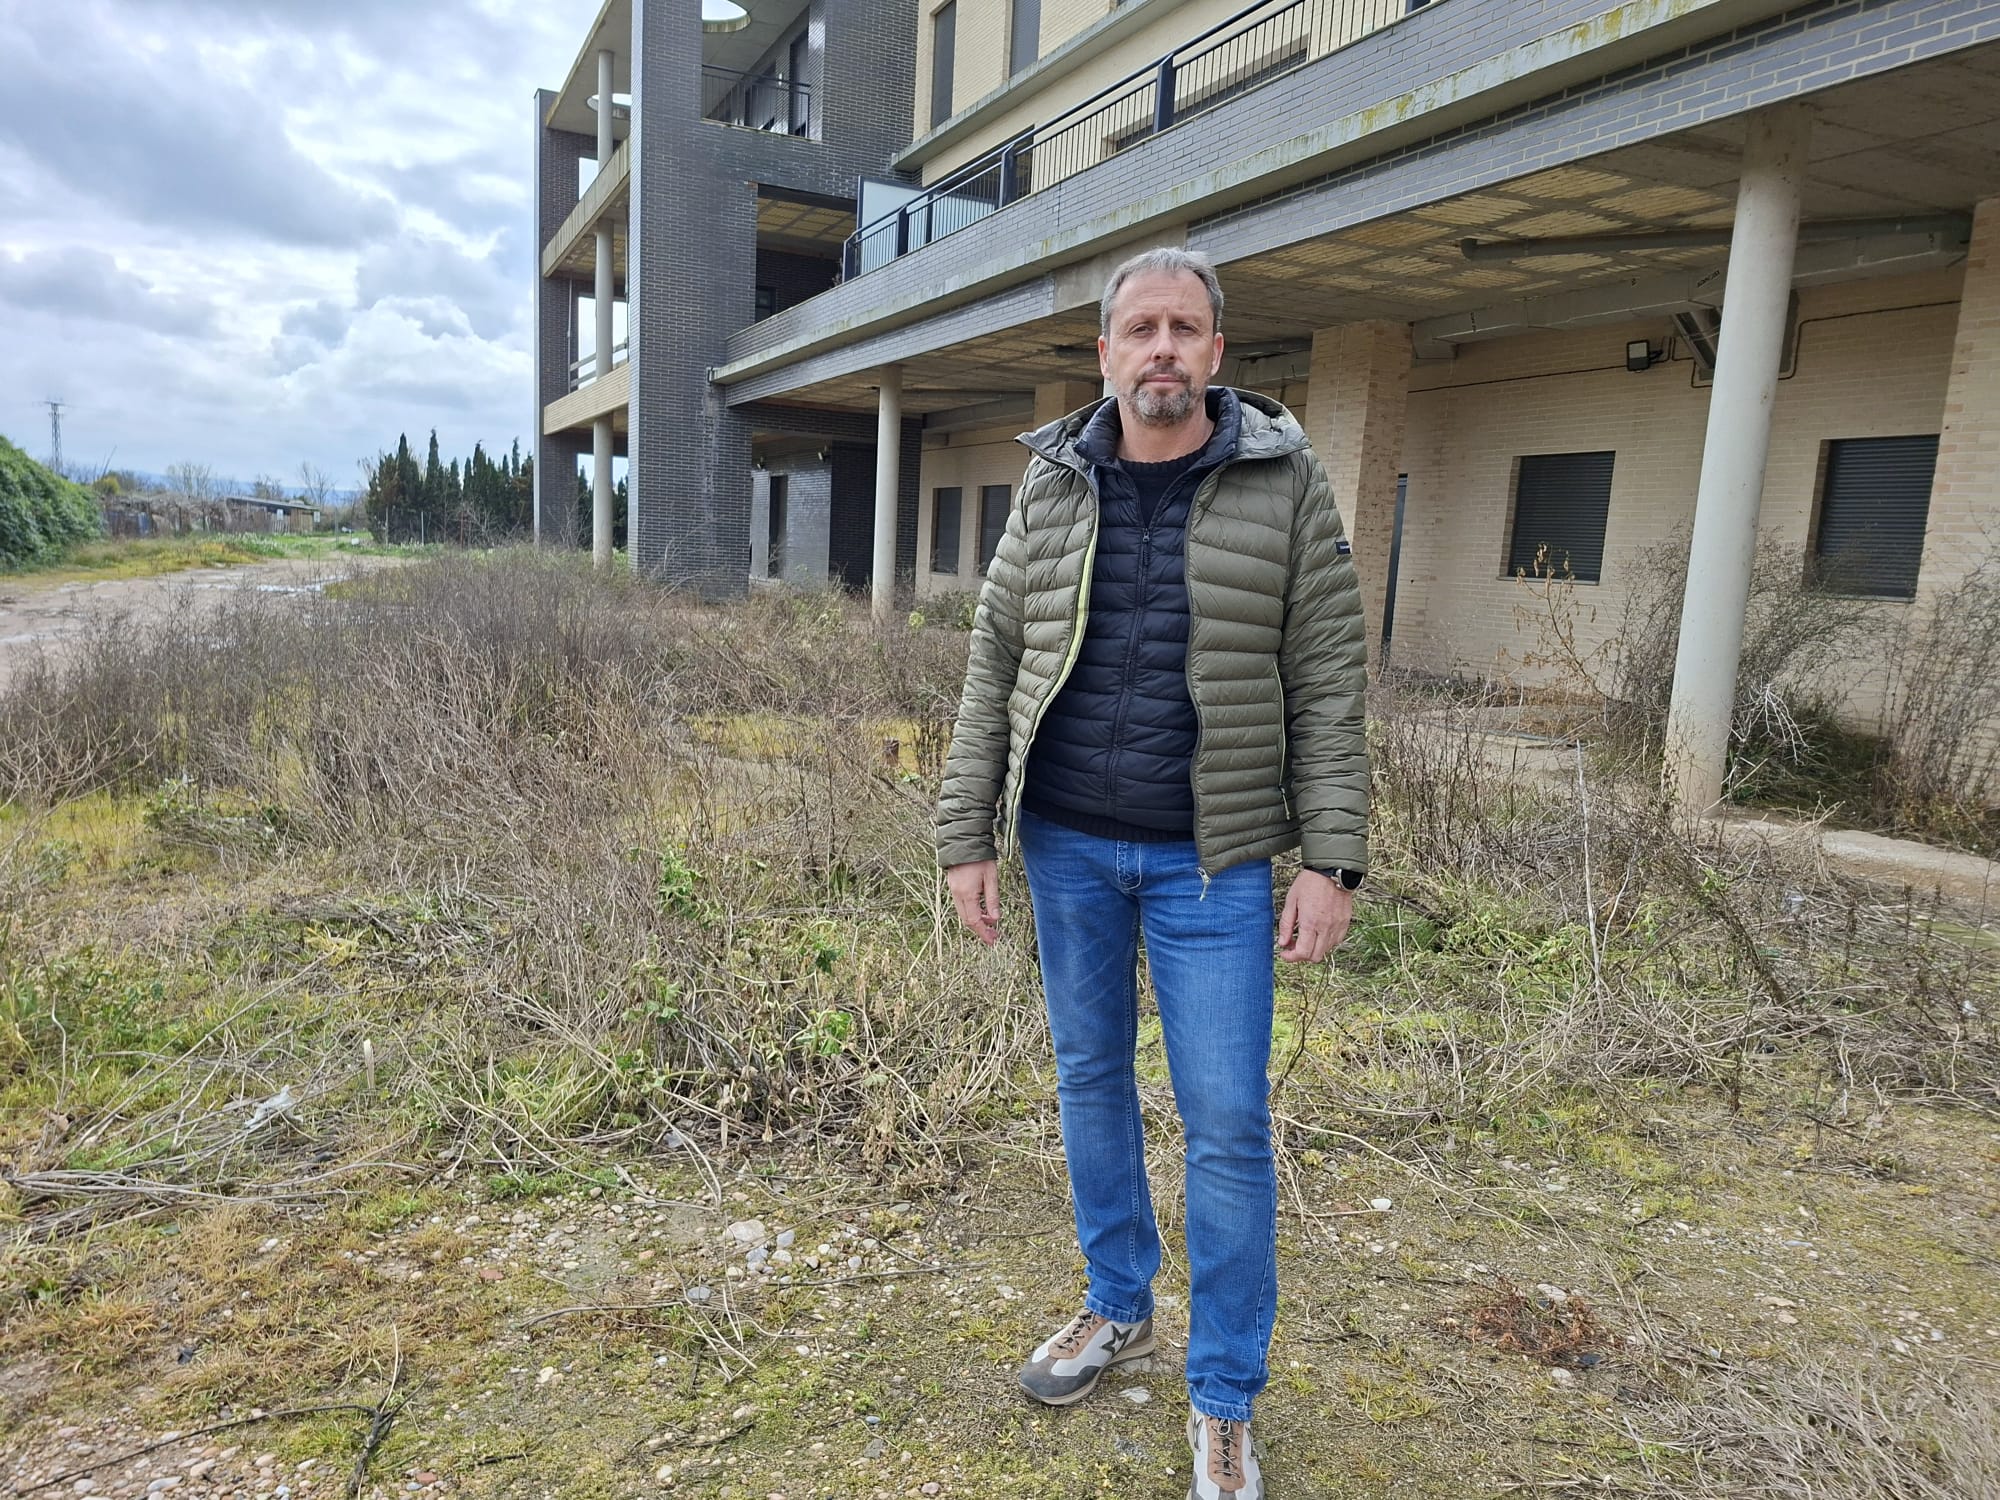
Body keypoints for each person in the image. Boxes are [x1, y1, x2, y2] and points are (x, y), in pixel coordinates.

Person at [934, 246, 1370, 1500]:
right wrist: (966, 833)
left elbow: (1329, 679)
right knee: (1088, 1081)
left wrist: (1331, 858)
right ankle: (1114, 1303)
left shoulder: (1284, 484)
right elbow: (991, 661)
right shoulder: (1052, 483)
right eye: (1140, 328)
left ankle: (1224, 1394)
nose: (1162, 348)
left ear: (1217, 354)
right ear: (1106, 353)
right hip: (1063, 844)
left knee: (1225, 1126)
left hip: (1212, 863)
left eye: (1185, 328)